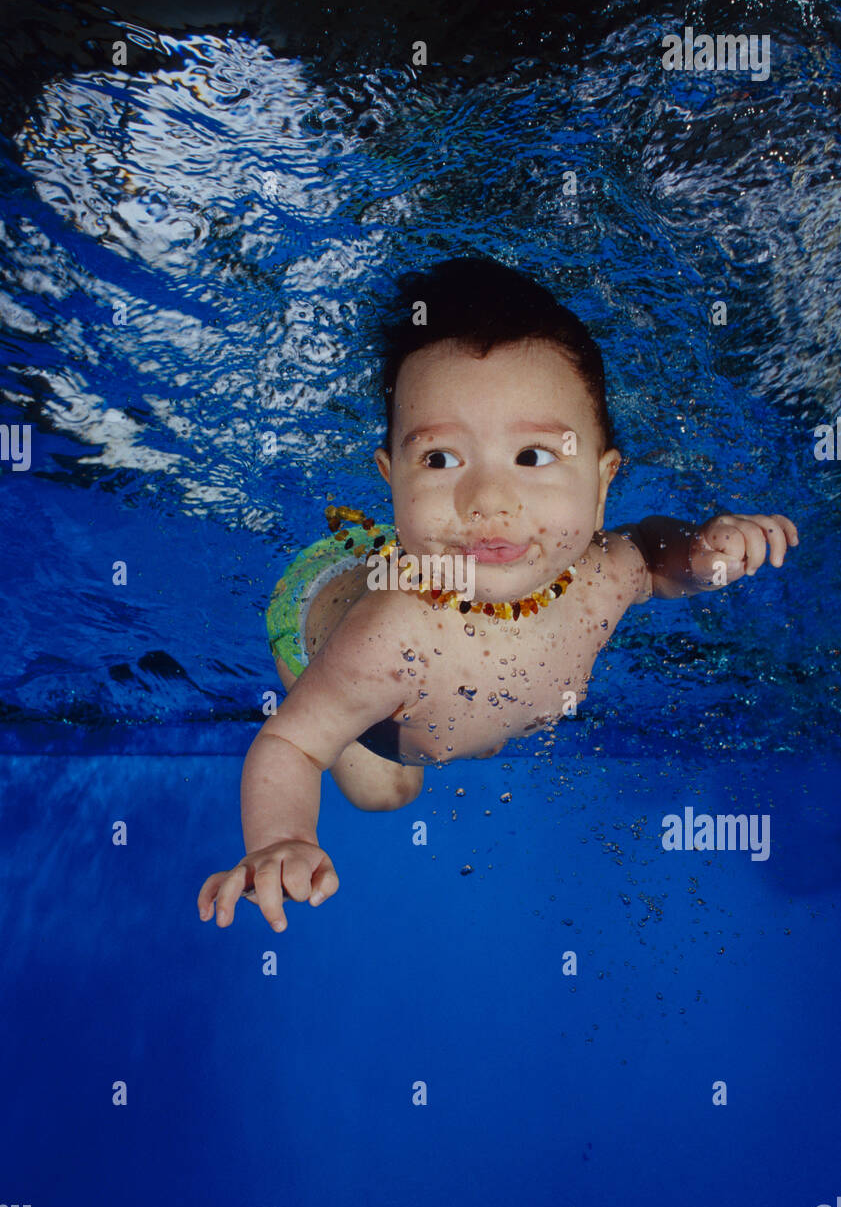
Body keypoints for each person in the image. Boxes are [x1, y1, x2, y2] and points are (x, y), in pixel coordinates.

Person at [197, 256, 798, 932]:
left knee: (457, 745)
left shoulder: (602, 574)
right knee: (389, 791)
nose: (487, 499)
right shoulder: (390, 641)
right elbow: (290, 747)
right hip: (315, 610)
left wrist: (703, 552)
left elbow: (656, 559)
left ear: (602, 486)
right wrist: (281, 841)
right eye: (439, 460)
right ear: (391, 481)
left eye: (533, 457)